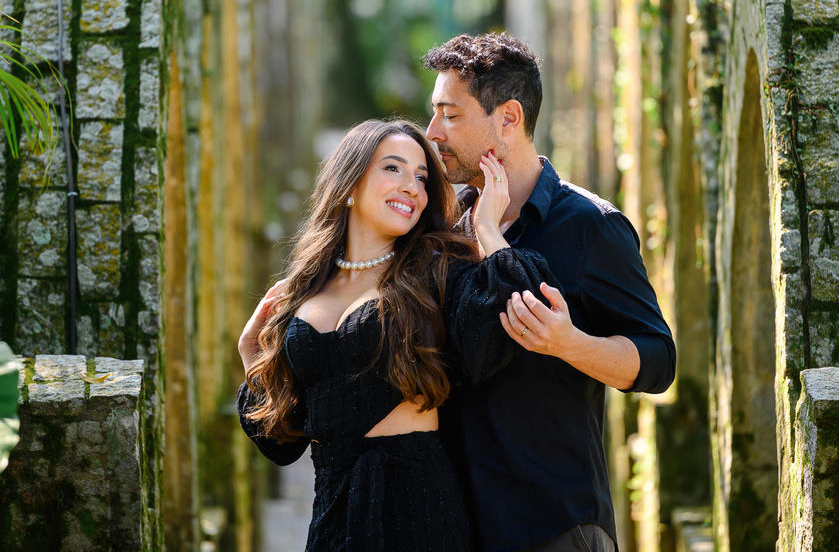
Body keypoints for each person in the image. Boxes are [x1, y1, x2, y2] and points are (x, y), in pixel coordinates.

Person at [236, 119, 558, 552]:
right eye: (393, 168)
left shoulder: (436, 271)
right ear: (349, 183)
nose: (412, 186)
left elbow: (524, 304)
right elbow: (281, 443)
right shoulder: (304, 288)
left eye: (422, 177)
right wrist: (251, 353)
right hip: (333, 510)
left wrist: (487, 228)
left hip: (415, 505)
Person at [423, 33, 676, 552]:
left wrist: (568, 343)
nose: (432, 133)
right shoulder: (444, 227)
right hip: (454, 526)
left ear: (508, 119)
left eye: (450, 115)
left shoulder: (590, 227)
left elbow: (658, 360)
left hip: (554, 528)